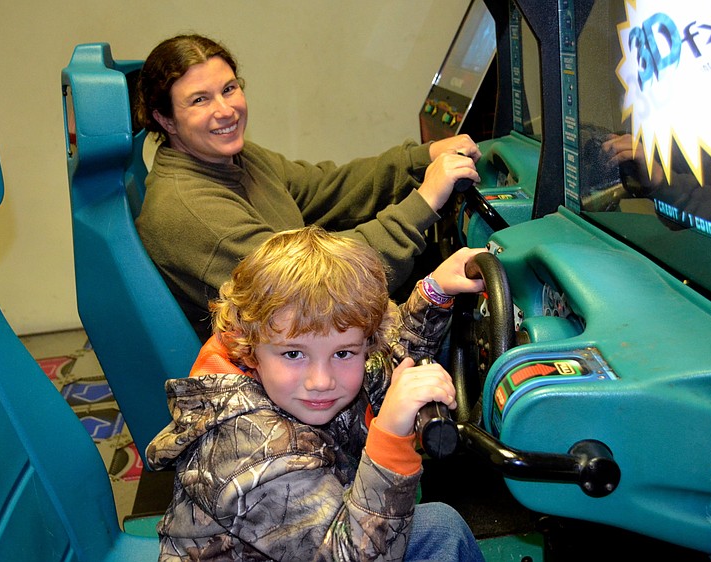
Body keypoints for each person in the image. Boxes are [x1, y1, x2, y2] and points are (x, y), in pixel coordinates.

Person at [146, 225, 487, 561]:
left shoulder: (292, 385)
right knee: (439, 527)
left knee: (441, 527)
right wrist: (391, 440)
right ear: (249, 349)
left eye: (343, 353)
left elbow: (391, 362)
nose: (321, 380)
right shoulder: (252, 453)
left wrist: (435, 293)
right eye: (294, 354)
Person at [134, 33, 481, 338]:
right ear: (166, 119)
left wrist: (422, 159)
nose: (225, 111)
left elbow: (326, 187)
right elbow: (322, 291)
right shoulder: (191, 209)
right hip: (268, 371)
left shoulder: (234, 159)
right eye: (200, 100)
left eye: (229, 89)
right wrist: (423, 203)